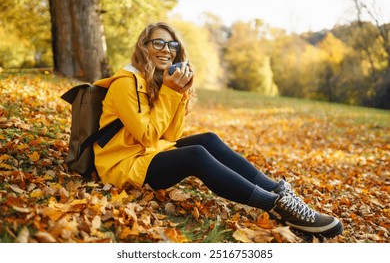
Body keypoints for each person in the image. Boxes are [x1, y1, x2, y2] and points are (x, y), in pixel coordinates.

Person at [93, 22, 343, 238]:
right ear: (143, 47)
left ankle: (276, 190)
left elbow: (170, 136)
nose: (166, 50)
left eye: (172, 46)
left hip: (145, 153)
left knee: (209, 139)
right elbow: (147, 135)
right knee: (196, 155)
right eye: (157, 43)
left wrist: (179, 94)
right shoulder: (126, 84)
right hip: (122, 166)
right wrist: (170, 92)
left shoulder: (153, 81)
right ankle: (275, 206)